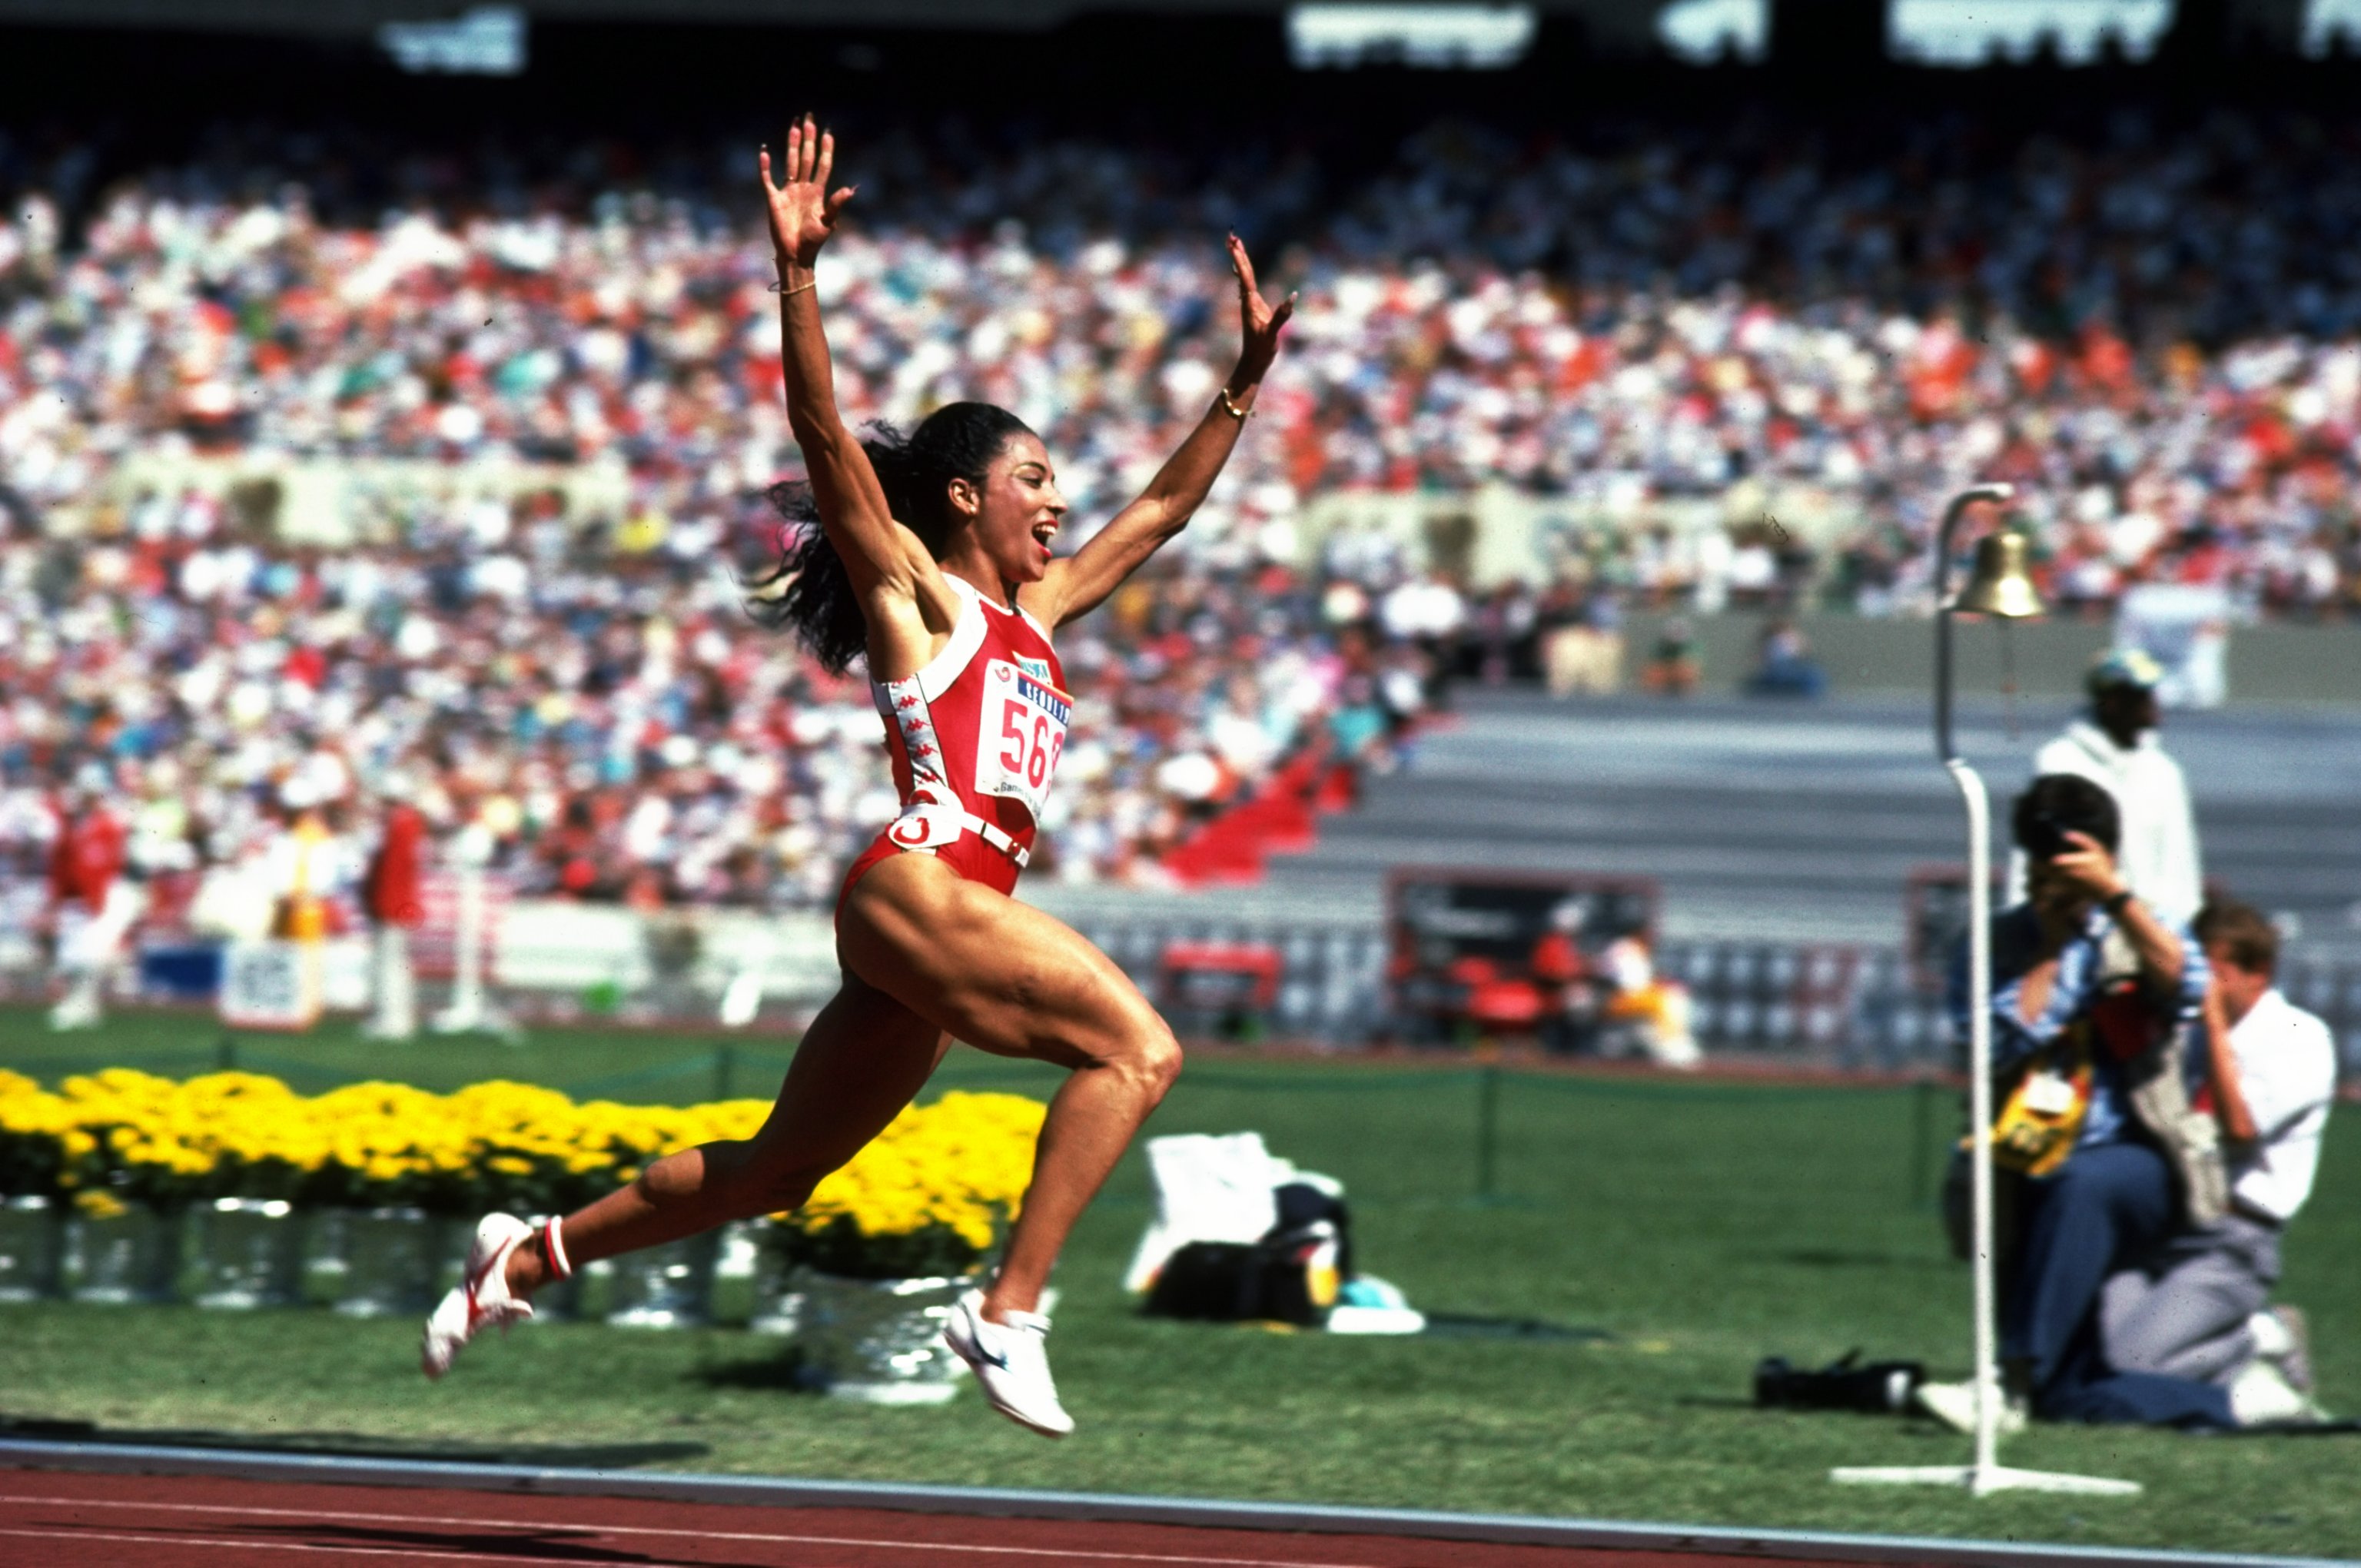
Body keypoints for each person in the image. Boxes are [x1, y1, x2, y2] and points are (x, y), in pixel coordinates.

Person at [420, 118, 1295, 1439]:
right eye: (1035, 480)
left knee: (778, 1171)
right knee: (1139, 1049)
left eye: (1061, 485)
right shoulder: (917, 599)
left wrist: (1240, 382)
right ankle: (1008, 1314)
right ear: (959, 497)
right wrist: (797, 277)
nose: (1058, 504)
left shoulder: (1041, 615)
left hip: (937, 918)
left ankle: (525, 1255)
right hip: (921, 880)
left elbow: (1164, 512)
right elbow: (826, 438)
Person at [1917, 773, 2239, 1432]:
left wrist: (2113, 899)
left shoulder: (2146, 928)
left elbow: (2185, 988)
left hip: (2141, 1160)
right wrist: (2052, 946)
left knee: (2081, 1182)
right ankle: (2238, 1397)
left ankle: (2004, 1384)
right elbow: (1993, 1044)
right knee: (2072, 1397)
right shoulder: (1995, 945)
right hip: (2027, 1156)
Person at [2098, 898, 2335, 1417]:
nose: (2204, 985)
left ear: (2258, 973)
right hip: (2168, 1226)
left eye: (2217, 973)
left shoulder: (2299, 1037)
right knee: (2093, 1362)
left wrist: (2210, 1026)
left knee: (2131, 1366)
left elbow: (2240, 1125)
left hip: (2232, 1240)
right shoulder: (2184, 1033)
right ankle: (2240, 1361)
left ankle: (2258, 1337)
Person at [2009, 649, 2202, 929]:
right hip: (2072, 930)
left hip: (2150, 933)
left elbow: (2181, 861)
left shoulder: (2164, 772)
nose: (2153, 703)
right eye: (2141, 695)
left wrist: (2178, 931)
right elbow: (2030, 854)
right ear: (2113, 702)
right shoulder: (2059, 760)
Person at [46, 769, 139, 1031]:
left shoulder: (107, 826)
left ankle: (84, 1005)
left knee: (89, 956)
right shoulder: (74, 823)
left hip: (94, 899)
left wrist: (98, 899)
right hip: (74, 898)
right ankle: (80, 1005)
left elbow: (108, 865)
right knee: (72, 957)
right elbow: (63, 863)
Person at [361, 786, 429, 1041]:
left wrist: (382, 905)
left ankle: (392, 1019)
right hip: (397, 905)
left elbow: (392, 873)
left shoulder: (400, 826)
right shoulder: (408, 825)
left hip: (392, 906)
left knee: (391, 964)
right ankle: (395, 1018)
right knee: (395, 964)